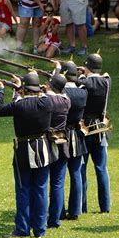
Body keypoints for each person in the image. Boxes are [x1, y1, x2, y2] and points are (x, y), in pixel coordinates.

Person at [0, 72, 53, 238]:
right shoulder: (47, 103)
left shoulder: (19, 105)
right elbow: (41, 94)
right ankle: (40, 230)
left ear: (25, 89)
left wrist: (1, 89)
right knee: (40, 190)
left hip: (24, 151)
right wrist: (20, 87)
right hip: (43, 149)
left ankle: (22, 229)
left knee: (23, 190)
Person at [79, 53, 111, 214]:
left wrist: (80, 74)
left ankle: (81, 206)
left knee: (81, 169)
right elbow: (103, 76)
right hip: (100, 128)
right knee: (101, 168)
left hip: (84, 128)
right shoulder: (106, 81)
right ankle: (105, 206)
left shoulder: (83, 83)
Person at [58, 60, 88, 220]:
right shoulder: (83, 92)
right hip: (77, 134)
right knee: (76, 174)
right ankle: (75, 210)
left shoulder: (61, 93)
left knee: (60, 176)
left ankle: (59, 211)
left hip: (62, 136)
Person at [45, 72, 71, 228]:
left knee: (41, 183)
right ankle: (55, 219)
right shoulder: (66, 100)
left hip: (47, 144)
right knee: (57, 184)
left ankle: (42, 216)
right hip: (62, 143)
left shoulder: (46, 100)